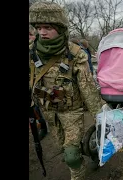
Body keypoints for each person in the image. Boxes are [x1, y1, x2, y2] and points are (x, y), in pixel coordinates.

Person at [29, 2, 102, 179]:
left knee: (71, 156)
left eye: (47, 27)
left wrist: (100, 116)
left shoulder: (75, 54)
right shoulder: (32, 53)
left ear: (60, 28)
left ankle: (78, 173)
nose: (42, 32)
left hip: (72, 112)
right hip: (49, 114)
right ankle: (87, 155)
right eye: (38, 28)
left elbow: (88, 89)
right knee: (64, 147)